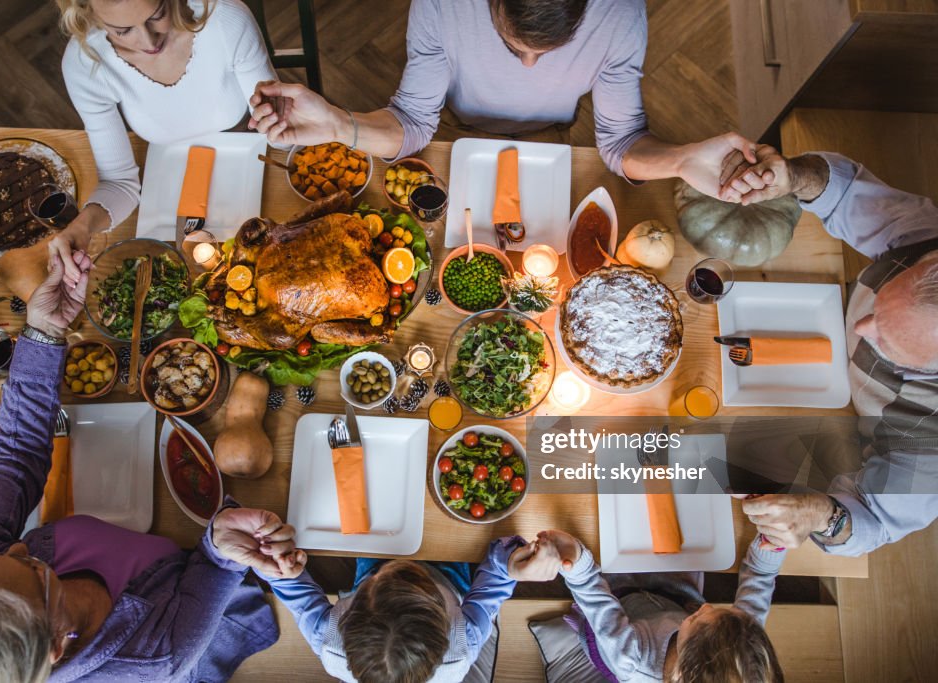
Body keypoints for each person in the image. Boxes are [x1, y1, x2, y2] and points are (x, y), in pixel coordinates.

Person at [0, 250, 304, 682]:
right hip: (195, 602)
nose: (18, 546)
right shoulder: (157, 655)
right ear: (58, 645)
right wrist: (219, 548)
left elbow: (17, 460)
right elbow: (210, 571)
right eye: (29, 569)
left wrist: (44, 332)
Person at [247, 0, 758, 197]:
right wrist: (339, 125)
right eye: (516, 48)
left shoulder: (620, 13)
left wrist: (683, 159)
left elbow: (621, 139)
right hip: (458, 124)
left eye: (553, 51)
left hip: (553, 135)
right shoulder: (441, 6)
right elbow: (413, 120)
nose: (532, 70)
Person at [719, 148, 938, 556]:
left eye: (888, 341)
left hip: (834, 434)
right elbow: (845, 192)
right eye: (881, 304)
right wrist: (793, 175)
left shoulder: (931, 447)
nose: (859, 326)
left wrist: (822, 515)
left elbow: (874, 524)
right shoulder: (928, 241)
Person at [52, 0, 277, 285]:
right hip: (165, 181)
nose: (148, 41)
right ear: (90, 17)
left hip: (249, 145)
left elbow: (277, 131)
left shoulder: (224, 19)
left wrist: (278, 122)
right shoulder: (84, 62)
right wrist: (82, 227)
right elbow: (119, 183)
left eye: (157, 15)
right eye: (122, 31)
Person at [252, 537, 563, 682]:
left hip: (373, 562)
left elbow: (291, 588)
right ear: (446, 625)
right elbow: (497, 574)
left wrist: (281, 566)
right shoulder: (465, 643)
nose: (407, 564)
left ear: (346, 613)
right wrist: (513, 564)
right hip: (449, 574)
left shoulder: (326, 639)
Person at [535, 530, 784, 682]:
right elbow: (760, 577)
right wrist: (771, 544)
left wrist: (577, 563)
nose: (706, 606)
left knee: (601, 558)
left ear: (682, 669)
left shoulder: (630, 661)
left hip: (620, 610)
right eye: (721, 612)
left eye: (696, 620)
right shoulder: (742, 638)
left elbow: (595, 598)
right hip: (670, 600)